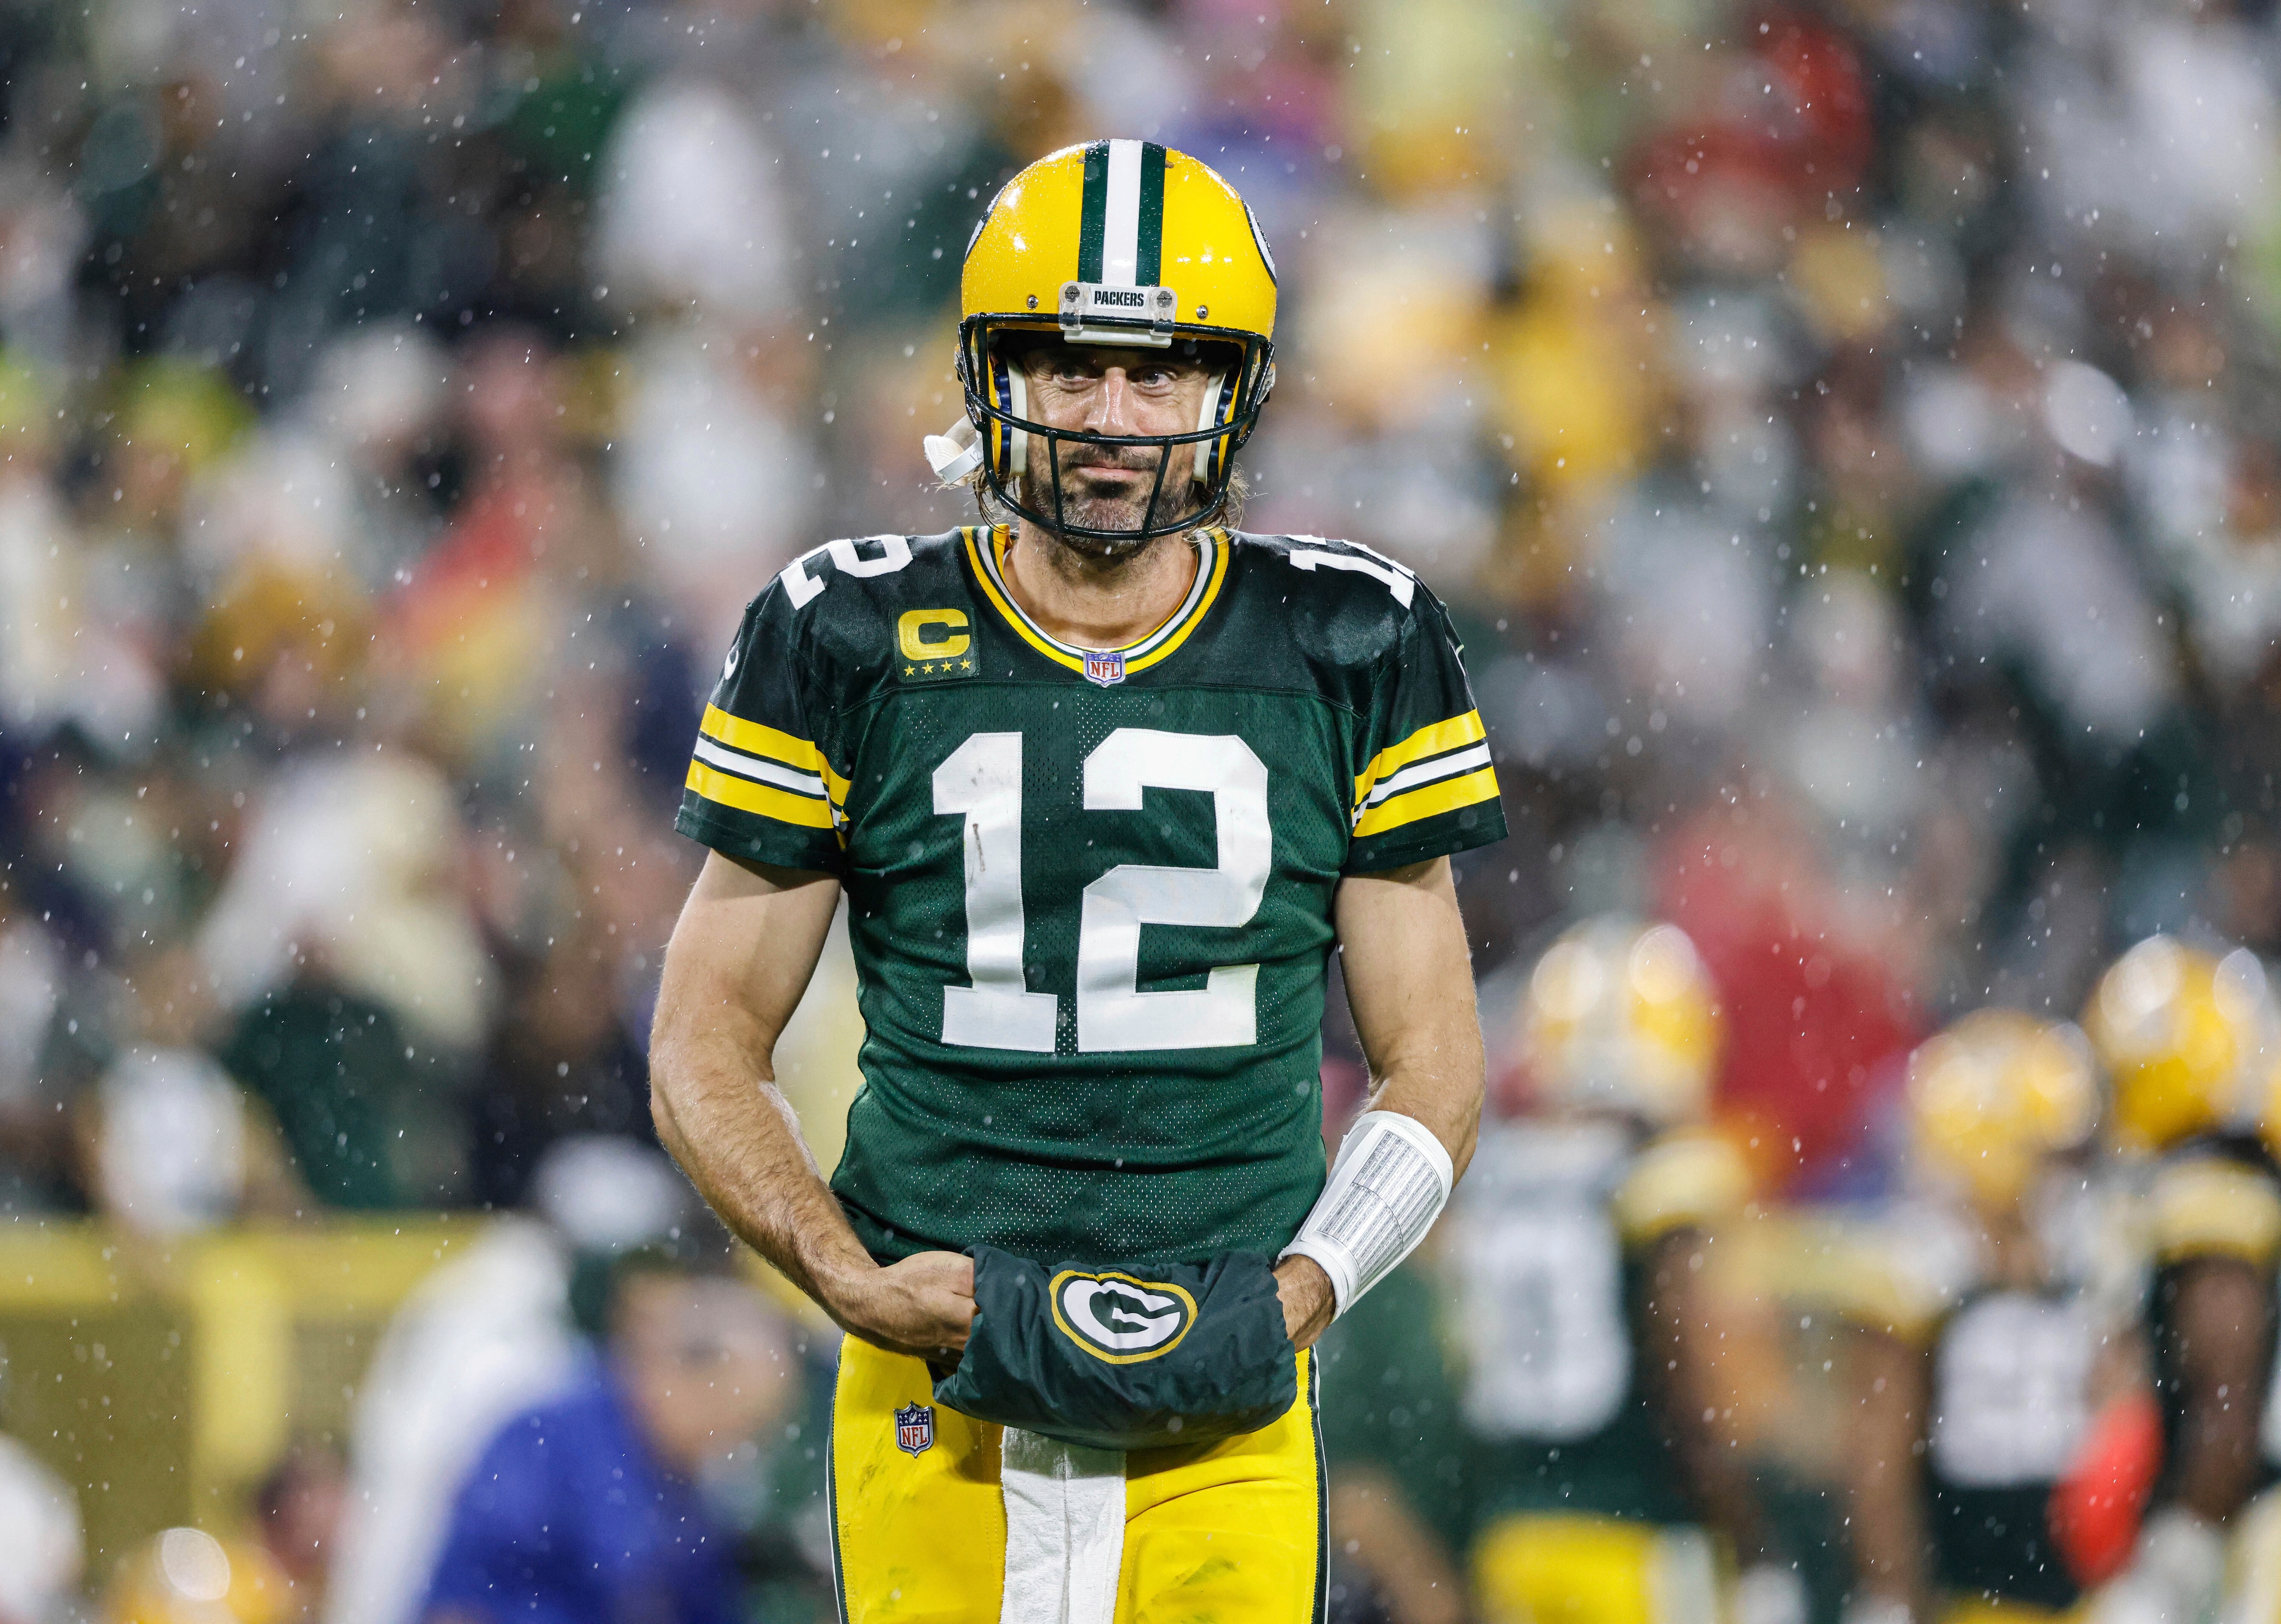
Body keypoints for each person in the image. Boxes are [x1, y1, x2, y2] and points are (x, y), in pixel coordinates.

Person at [648, 139, 1504, 1621]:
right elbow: (698, 1039)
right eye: (1066, 366)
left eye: (1158, 371)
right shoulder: (848, 633)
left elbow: (1433, 1061)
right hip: (935, 1370)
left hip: (1223, 1387)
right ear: (994, 375)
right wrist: (840, 1271)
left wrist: (1302, 1290)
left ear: (1228, 390)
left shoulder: (1350, 637)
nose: (1112, 417)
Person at [1450, 916, 1798, 1624]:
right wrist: (1754, 1538)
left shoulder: (1497, 1176)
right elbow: (1701, 1385)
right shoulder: (1667, 1180)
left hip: (1514, 1537)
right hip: (1639, 1540)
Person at [1835, 1009, 2154, 1624]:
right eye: (2052, 1152)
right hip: (1972, 1598)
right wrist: (1892, 1591)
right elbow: (1877, 1465)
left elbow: (2124, 1421)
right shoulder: (1921, 1271)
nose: (2068, 1174)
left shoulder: (2088, 1258)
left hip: (2081, 1594)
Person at [416, 1249, 795, 1624]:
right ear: (688, 1377)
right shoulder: (547, 1441)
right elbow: (465, 1602)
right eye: (732, 1421)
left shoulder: (685, 1484)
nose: (728, 1445)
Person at [2083, 936, 2281, 1624]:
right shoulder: (2241, 1177)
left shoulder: (2211, 1193)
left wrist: (2184, 1542)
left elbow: (2229, 1394)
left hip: (2252, 1533)